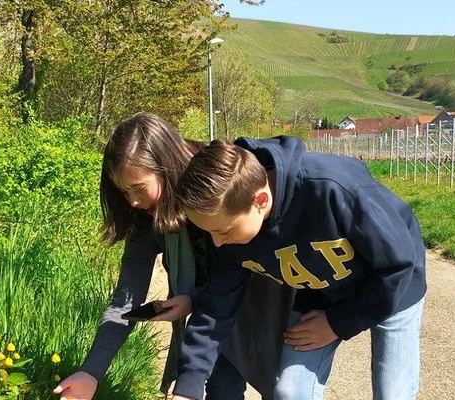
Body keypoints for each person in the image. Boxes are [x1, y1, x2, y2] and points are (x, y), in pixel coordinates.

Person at [53, 113, 294, 400]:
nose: (132, 200)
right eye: (124, 191)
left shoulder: (219, 187)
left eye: (139, 188)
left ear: (165, 166)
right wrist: (90, 372)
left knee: (285, 390)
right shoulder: (144, 217)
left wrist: (197, 299)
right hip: (211, 318)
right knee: (219, 387)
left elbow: (245, 268)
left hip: (262, 304)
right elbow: (124, 302)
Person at [171, 136, 427, 400]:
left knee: (392, 393)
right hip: (319, 289)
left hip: (392, 287)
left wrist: (337, 324)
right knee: (290, 392)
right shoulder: (227, 228)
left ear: (260, 200)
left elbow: (398, 267)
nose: (217, 242)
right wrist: (190, 384)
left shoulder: (332, 187)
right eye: (209, 232)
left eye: (223, 231)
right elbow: (217, 306)